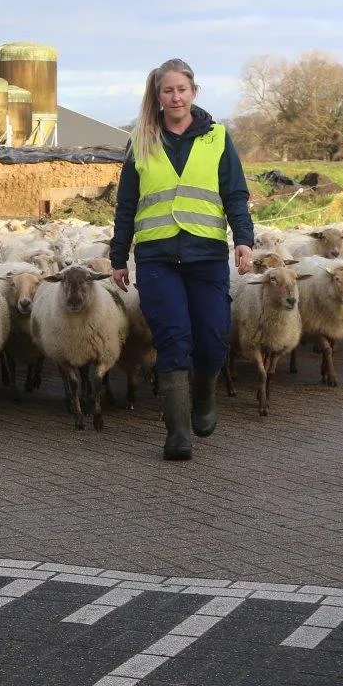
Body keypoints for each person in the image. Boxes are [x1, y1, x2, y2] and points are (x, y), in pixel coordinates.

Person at [108, 58, 254, 461]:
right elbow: (126, 204)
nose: (176, 97)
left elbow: (235, 194)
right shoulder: (140, 140)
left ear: (194, 92)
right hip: (156, 257)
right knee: (173, 340)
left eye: (182, 89)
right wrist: (118, 256)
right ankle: (177, 433)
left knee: (212, 339)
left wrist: (244, 239)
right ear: (157, 96)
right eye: (168, 91)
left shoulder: (217, 138)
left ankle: (204, 396)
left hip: (206, 255)